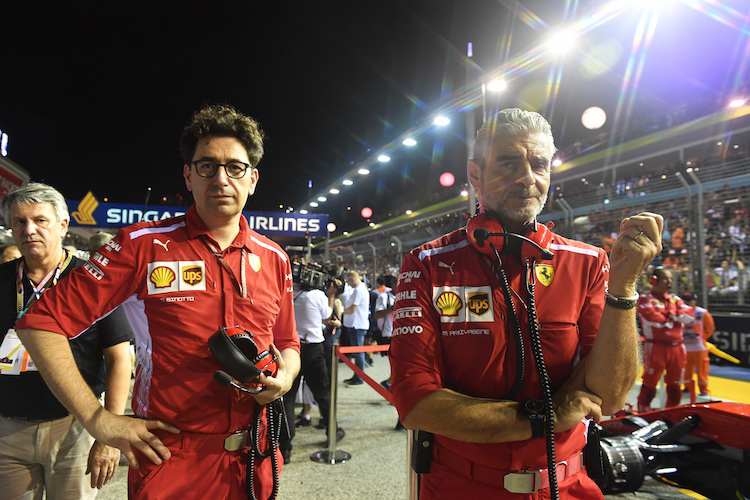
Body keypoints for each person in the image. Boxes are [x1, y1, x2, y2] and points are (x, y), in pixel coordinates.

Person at [15, 104, 300, 499]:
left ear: (252, 179)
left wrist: (284, 379)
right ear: (188, 174)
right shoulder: (143, 245)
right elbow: (39, 323)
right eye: (206, 166)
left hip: (256, 457)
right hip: (172, 461)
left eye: (235, 167)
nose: (221, 178)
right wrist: (99, 420)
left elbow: (287, 342)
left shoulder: (275, 257)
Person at [389, 108, 663, 499]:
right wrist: (546, 418)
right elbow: (416, 403)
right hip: (459, 487)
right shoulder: (427, 263)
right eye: (508, 162)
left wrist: (624, 285)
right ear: (475, 174)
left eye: (538, 164)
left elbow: (610, 395)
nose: (527, 178)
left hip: (568, 486)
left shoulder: (588, 262)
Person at [0, 182, 134, 498]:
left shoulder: (92, 281)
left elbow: (119, 358)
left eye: (40, 220)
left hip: (75, 428)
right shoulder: (3, 278)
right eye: (20, 221)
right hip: (8, 429)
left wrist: (107, 436)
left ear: (62, 226)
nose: (29, 229)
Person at [279, 277, 343, 463]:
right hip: (314, 348)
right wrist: (331, 296)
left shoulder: (289, 292)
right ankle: (332, 432)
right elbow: (327, 315)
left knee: (288, 398)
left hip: (291, 349)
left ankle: (285, 447)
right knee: (323, 394)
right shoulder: (317, 295)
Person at [636, 267, 694, 412]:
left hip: (677, 348)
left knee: (675, 384)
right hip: (655, 347)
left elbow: (689, 315)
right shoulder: (646, 299)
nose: (669, 282)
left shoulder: (676, 299)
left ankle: (671, 413)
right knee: (650, 382)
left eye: (670, 279)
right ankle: (644, 412)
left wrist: (668, 315)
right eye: (665, 279)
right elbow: (654, 319)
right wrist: (674, 316)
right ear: (653, 280)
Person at [681, 292, 715, 397]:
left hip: (699, 347)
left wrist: (702, 338)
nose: (687, 302)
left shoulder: (703, 313)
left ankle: (703, 390)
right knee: (686, 370)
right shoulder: (680, 312)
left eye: (689, 300)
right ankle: (687, 388)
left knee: (702, 369)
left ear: (695, 300)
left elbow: (710, 329)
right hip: (685, 347)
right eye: (685, 300)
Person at [342, 270, 370, 386]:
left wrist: (340, 312)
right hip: (356, 324)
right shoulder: (360, 289)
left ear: (352, 279)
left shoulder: (358, 290)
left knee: (358, 353)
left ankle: (359, 377)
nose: (348, 284)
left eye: (348, 282)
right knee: (357, 352)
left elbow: (352, 309)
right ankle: (357, 375)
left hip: (357, 325)